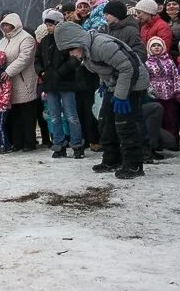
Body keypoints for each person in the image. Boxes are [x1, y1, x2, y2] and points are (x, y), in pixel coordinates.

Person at [52, 21, 151, 179]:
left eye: (71, 49)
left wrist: (121, 96)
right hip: (115, 85)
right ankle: (112, 159)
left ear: (78, 41)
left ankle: (134, 165)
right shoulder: (86, 52)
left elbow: (128, 66)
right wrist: (104, 85)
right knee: (106, 122)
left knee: (124, 124)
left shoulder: (101, 45)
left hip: (134, 83)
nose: (70, 54)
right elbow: (105, 70)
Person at [35, 9, 84, 158]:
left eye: (51, 25)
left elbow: (74, 59)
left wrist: (60, 72)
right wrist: (41, 72)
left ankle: (77, 145)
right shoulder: (44, 41)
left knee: (71, 115)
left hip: (66, 82)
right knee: (54, 116)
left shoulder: (67, 40)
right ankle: (59, 145)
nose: (49, 28)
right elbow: (37, 60)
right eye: (47, 25)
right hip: (50, 83)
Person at [0, 13, 39, 151]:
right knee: (15, 113)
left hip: (23, 79)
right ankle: (17, 142)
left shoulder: (26, 38)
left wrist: (8, 71)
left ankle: (29, 142)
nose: (5, 27)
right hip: (7, 81)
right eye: (3, 25)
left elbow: (24, 59)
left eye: (7, 24)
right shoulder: (3, 41)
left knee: (27, 113)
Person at [144, 37, 180, 150]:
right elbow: (147, 79)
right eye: (153, 45)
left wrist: (177, 90)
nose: (156, 47)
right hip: (155, 95)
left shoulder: (169, 61)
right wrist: (149, 90)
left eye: (158, 45)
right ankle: (159, 142)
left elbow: (175, 76)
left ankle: (173, 142)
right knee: (158, 119)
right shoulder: (147, 63)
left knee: (170, 118)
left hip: (169, 94)